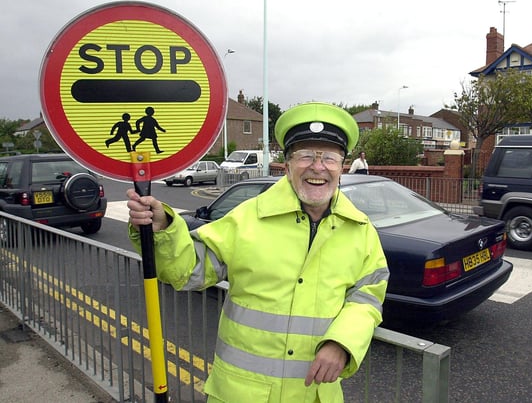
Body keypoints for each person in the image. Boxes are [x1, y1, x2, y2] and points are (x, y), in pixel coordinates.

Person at [126, 102, 389, 403]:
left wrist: (342, 343)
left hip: (315, 396)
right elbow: (188, 271)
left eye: (329, 157)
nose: (318, 167)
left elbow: (368, 295)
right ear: (288, 165)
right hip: (241, 394)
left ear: (342, 166)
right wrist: (163, 229)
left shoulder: (361, 230)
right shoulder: (247, 218)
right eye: (305, 156)